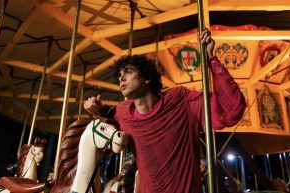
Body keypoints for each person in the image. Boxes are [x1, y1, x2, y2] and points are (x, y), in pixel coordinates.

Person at [84, 29, 246, 193]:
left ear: (147, 78)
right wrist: (97, 109)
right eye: (119, 75)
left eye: (128, 72)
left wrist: (211, 59)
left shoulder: (181, 100)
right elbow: (105, 129)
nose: (121, 78)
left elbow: (233, 108)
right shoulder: (122, 112)